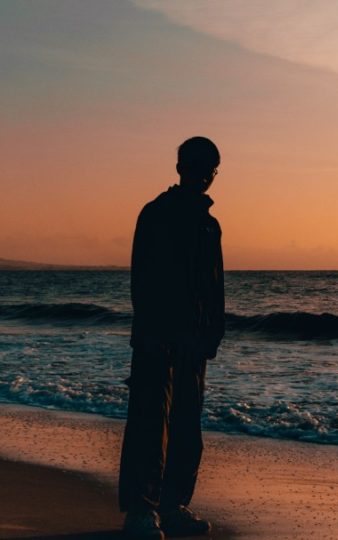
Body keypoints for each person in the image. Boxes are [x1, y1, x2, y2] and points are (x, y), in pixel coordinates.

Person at [119, 136, 225, 539]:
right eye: (199, 167)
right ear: (181, 168)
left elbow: (214, 286)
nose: (204, 176)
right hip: (156, 336)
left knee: (186, 424)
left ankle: (173, 503)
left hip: (193, 340)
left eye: (209, 170)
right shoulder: (156, 214)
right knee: (150, 422)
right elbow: (142, 280)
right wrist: (150, 330)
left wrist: (214, 332)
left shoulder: (208, 223)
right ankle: (140, 511)